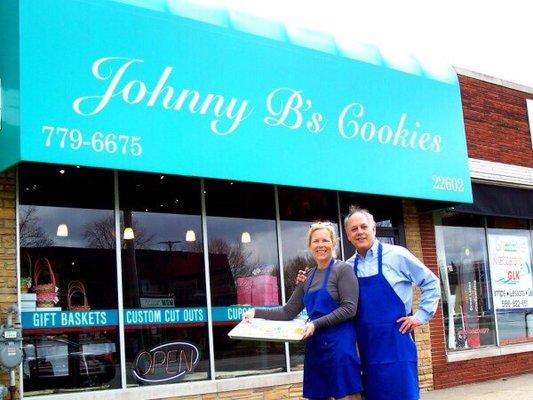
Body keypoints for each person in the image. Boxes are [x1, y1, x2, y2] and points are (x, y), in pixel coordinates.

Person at [298, 206, 440, 400]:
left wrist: (420, 316)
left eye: (363, 226)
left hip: (395, 343)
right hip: (364, 349)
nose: (359, 232)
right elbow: (329, 291)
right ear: (348, 236)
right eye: (354, 229)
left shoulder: (397, 255)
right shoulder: (347, 267)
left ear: (374, 228)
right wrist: (306, 282)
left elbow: (431, 281)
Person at [243, 221, 363, 400]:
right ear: (309, 246)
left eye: (325, 240)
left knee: (346, 396)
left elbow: (349, 309)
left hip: (340, 349)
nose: (320, 245)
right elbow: (288, 311)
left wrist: (316, 323)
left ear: (334, 243)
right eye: (316, 241)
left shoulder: (342, 270)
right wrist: (256, 312)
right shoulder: (307, 277)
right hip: (315, 349)